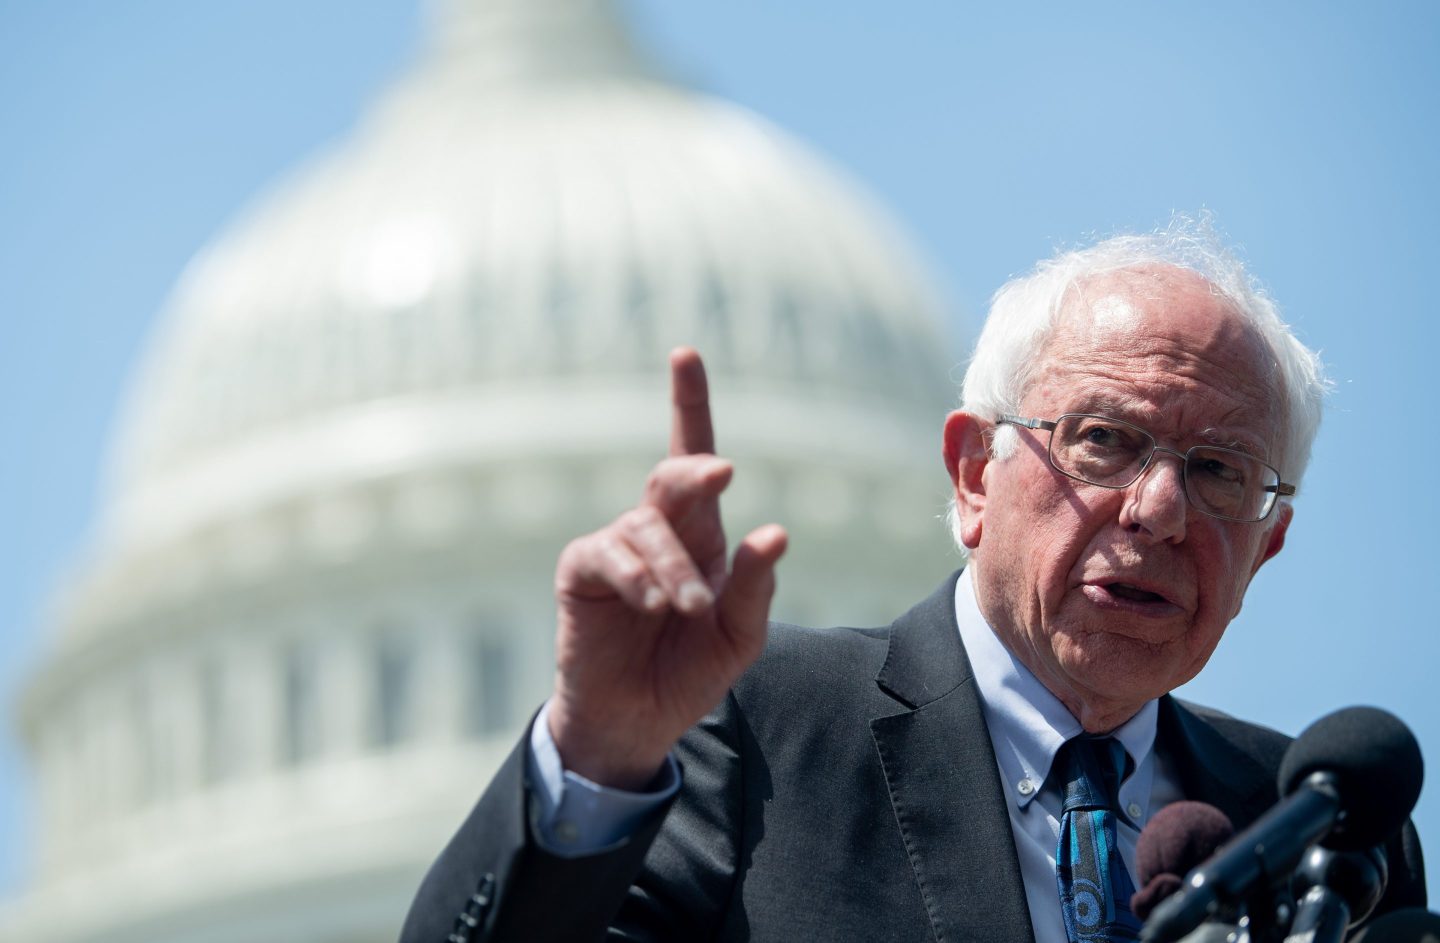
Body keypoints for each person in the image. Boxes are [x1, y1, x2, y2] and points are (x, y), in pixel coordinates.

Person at [400, 226, 1426, 942]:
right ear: (976, 473)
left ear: (1268, 542)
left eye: (1219, 471)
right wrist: (599, 756)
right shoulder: (754, 728)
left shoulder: (1319, 823)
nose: (1159, 508)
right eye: (1106, 440)